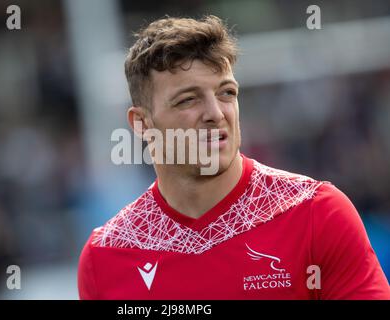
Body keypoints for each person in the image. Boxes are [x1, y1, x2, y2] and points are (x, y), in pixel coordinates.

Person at [78, 15, 390, 299]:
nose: (216, 113)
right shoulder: (106, 254)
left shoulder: (317, 213)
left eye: (226, 93)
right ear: (142, 124)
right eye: (188, 100)